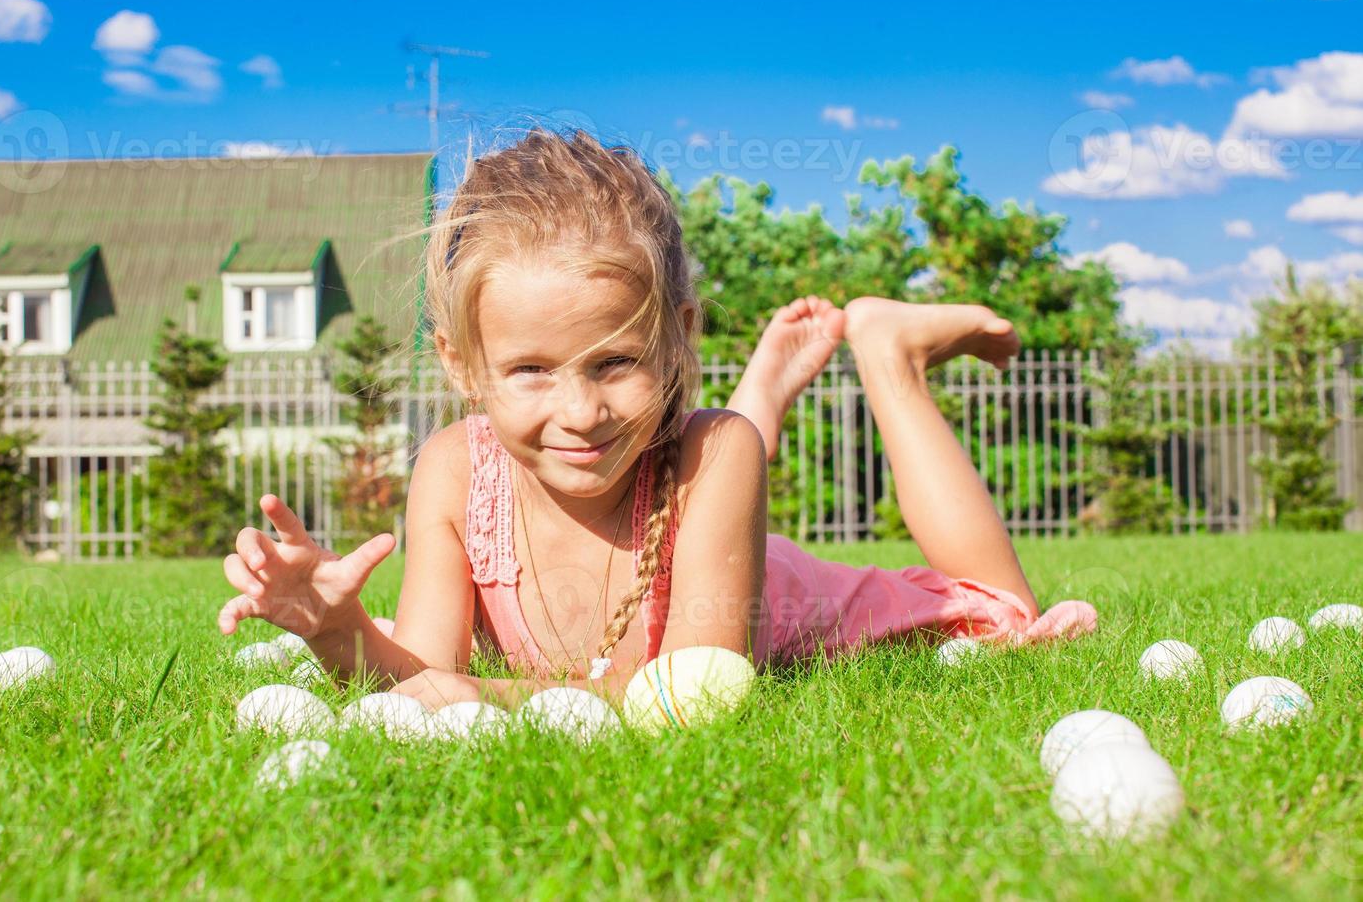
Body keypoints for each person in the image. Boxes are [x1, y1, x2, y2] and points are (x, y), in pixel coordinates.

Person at [216, 129, 1096, 710]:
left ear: (676, 338)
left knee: (1004, 610)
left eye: (616, 361)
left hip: (777, 589)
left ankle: (889, 356)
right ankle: (764, 385)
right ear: (462, 365)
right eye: (528, 371)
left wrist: (480, 698)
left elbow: (685, 687)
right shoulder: (452, 471)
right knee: (709, 440)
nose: (580, 411)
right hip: (700, 481)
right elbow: (419, 675)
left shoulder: (715, 455)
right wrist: (341, 634)